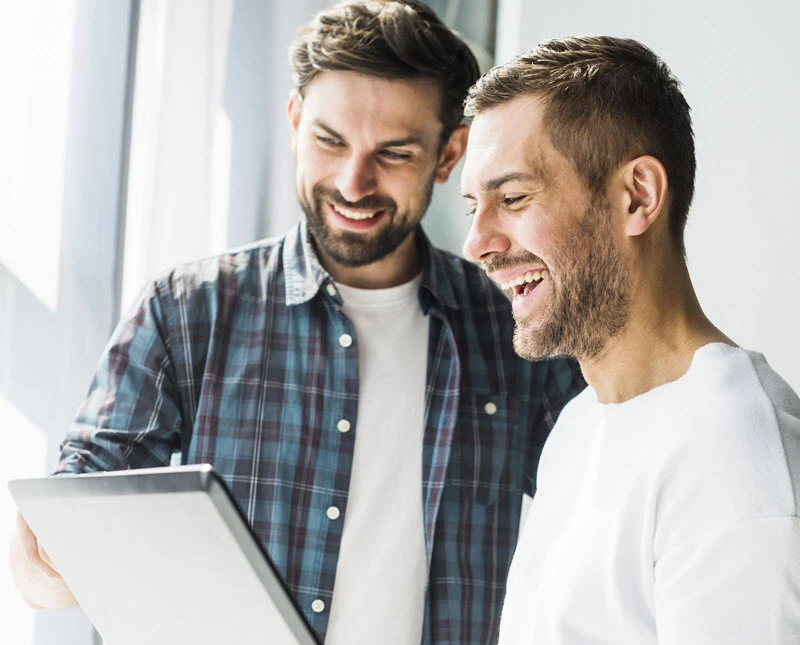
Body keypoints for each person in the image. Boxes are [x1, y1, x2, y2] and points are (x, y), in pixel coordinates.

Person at [9, 2, 584, 644]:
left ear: (449, 154)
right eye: (328, 140)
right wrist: (50, 554)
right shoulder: (185, 310)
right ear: (293, 121)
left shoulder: (516, 326)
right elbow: (72, 514)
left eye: (393, 153)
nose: (352, 181)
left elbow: (606, 505)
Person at [461, 34, 800, 644]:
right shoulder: (579, 423)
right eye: (472, 206)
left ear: (637, 197)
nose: (477, 242)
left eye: (512, 198)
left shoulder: (734, 455)